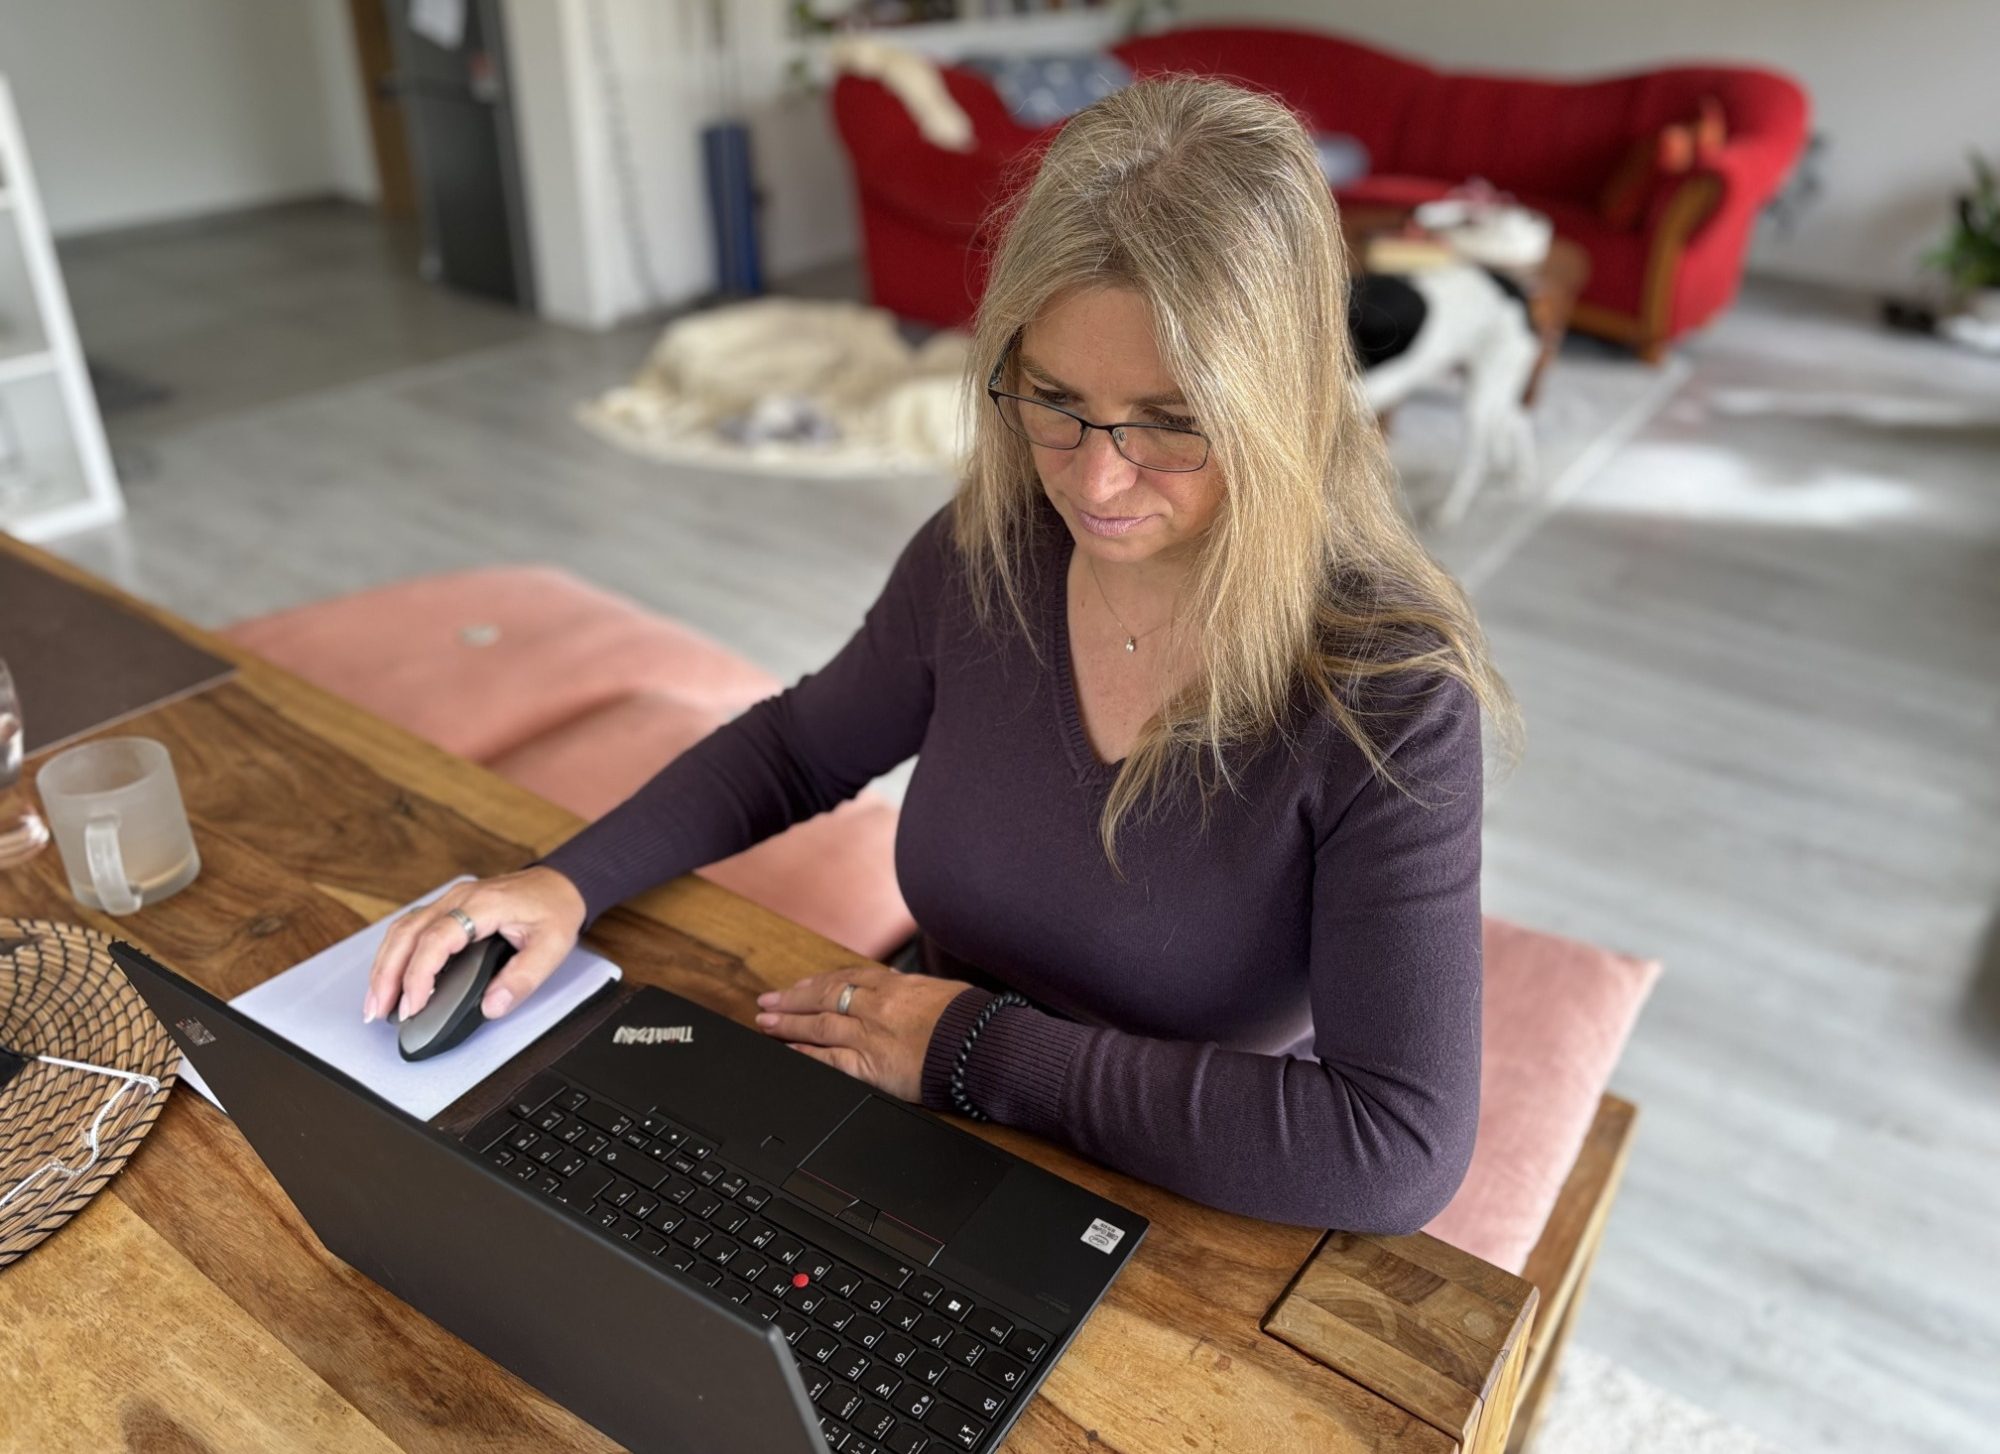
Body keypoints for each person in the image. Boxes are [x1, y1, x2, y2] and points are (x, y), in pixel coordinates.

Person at [363, 76, 1519, 1234]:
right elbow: (797, 747)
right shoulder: (991, 548)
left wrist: (974, 1050)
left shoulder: (1388, 695)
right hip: (916, 1099)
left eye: (1170, 422)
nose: (1095, 480)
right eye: (1052, 399)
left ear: (1284, 403)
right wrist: (564, 881)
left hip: (1186, 1179)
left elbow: (1391, 1145)